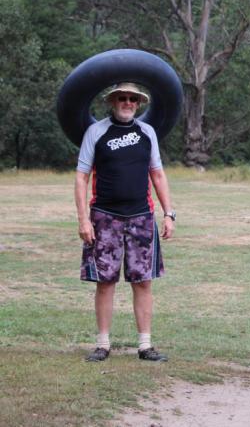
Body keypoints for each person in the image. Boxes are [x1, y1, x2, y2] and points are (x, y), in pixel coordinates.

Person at [75, 82, 175, 362]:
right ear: (112, 101)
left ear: (139, 103)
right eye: (122, 98)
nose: (127, 102)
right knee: (105, 282)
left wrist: (169, 213)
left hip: (141, 217)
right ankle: (103, 344)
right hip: (104, 217)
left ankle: (145, 346)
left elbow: (157, 173)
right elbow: (82, 177)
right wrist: (84, 219)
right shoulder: (96, 132)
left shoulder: (148, 132)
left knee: (142, 282)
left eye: (133, 98)